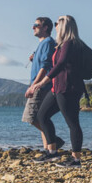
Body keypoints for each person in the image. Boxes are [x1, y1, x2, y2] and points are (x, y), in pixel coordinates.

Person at [28, 15, 85, 165]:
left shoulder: (70, 43)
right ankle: (52, 152)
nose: (55, 26)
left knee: (73, 123)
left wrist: (41, 82)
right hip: (57, 87)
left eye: (57, 23)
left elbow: (59, 65)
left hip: (68, 88)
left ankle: (76, 159)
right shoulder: (60, 45)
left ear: (65, 25)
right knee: (42, 115)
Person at [23, 17, 57, 153]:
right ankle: (48, 149)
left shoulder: (48, 42)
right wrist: (34, 58)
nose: (33, 27)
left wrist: (34, 85)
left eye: (36, 25)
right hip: (40, 85)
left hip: (41, 86)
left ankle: (53, 141)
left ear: (45, 28)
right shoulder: (43, 44)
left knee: (31, 117)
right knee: (39, 118)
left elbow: (45, 67)